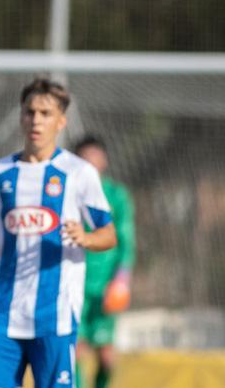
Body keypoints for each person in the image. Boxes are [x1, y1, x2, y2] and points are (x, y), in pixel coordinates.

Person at [0, 79, 118, 388]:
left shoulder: (79, 173)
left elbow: (109, 234)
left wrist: (86, 238)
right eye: (30, 112)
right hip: (3, 311)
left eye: (45, 113)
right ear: (21, 116)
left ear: (61, 121)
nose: (36, 120)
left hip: (55, 315)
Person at [74, 136, 135, 388]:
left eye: (93, 157)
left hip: (105, 289)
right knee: (74, 352)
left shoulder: (116, 196)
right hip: (73, 286)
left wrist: (121, 280)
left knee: (107, 357)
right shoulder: (67, 193)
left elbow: (127, 241)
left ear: (104, 161)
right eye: (82, 158)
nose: (88, 164)